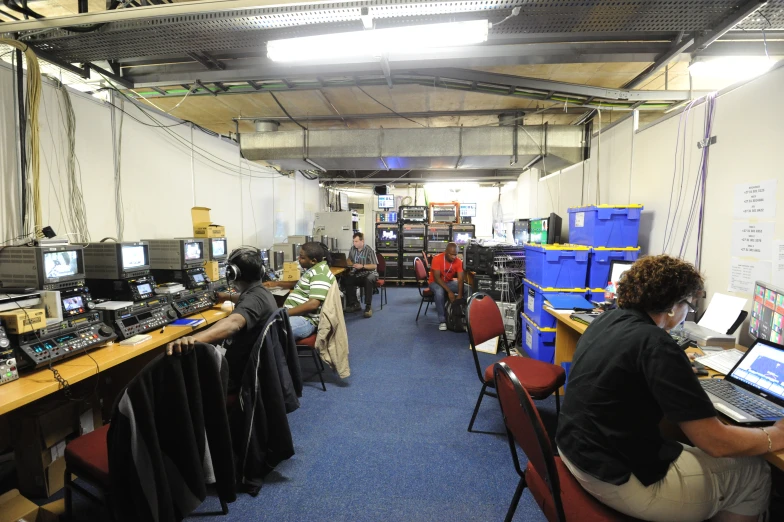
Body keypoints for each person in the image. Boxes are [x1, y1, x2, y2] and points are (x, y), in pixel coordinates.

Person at [555, 255, 783, 522]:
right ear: (674, 307)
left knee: (688, 443)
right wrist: (775, 435)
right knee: (754, 472)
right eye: (690, 305)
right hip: (614, 477)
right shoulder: (655, 344)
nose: (689, 312)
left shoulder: (608, 320)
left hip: (577, 452)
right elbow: (716, 443)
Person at [165, 247, 277, 393]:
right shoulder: (261, 293)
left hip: (237, 372)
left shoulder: (252, 300)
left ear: (232, 273)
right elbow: (247, 301)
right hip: (257, 364)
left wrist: (192, 338)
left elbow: (233, 324)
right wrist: (225, 296)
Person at [265, 242, 335, 340]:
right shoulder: (315, 269)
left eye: (302, 257)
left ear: (313, 261)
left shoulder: (320, 274)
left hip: (306, 321)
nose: (298, 259)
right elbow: (298, 283)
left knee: (269, 332)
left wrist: (284, 313)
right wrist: (277, 284)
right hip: (298, 317)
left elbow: (313, 304)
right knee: (265, 325)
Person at [428, 242, 469, 331]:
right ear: (446, 252)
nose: (453, 257)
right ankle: (442, 321)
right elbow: (437, 278)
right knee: (439, 291)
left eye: (455, 255)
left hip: (448, 282)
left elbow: (461, 279)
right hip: (435, 282)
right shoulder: (437, 259)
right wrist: (450, 292)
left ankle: (464, 316)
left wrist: (459, 296)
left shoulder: (458, 261)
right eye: (451, 254)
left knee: (467, 289)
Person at [343, 232, 378, 318]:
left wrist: (362, 266)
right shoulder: (352, 249)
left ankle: (368, 307)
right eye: (353, 241)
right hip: (358, 273)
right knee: (347, 279)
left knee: (368, 280)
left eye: (356, 241)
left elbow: (374, 266)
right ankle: (354, 304)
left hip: (370, 273)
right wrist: (348, 262)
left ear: (362, 241)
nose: (354, 243)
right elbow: (349, 259)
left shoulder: (370, 250)